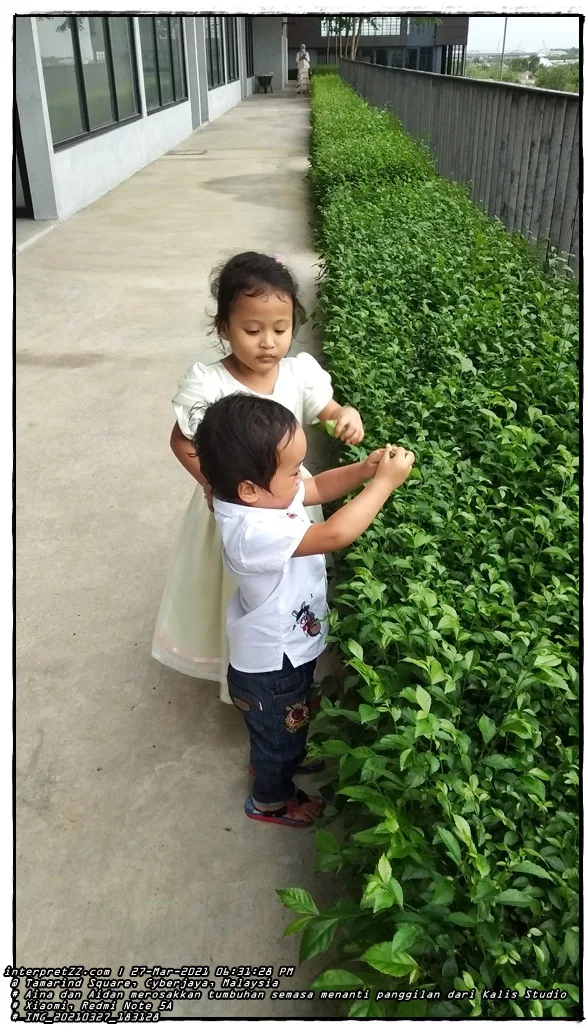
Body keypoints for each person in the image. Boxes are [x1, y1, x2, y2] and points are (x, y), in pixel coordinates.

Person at [151, 252, 365, 703]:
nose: (268, 342)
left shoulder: (298, 373)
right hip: (234, 509)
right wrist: (213, 485)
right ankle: (246, 681)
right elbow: (182, 441)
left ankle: (282, 661)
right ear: (224, 328)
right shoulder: (209, 384)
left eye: (280, 329)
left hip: (287, 494)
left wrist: (344, 416)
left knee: (285, 587)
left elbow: (326, 413)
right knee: (232, 591)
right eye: (252, 330)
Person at [194, 393, 415, 826]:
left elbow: (313, 489)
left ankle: (276, 752)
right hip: (272, 665)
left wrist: (363, 470)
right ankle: (269, 799)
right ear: (249, 489)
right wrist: (384, 484)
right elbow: (334, 534)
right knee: (281, 737)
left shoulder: (261, 496)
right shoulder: (252, 530)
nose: (301, 479)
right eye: (293, 470)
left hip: (285, 650)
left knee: (285, 727)